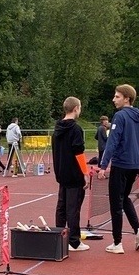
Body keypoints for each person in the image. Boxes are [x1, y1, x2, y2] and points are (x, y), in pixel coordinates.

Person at [96, 84, 139, 254]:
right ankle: (138, 230)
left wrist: (103, 166)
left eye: (117, 96)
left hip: (121, 164)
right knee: (124, 197)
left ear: (127, 98)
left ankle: (117, 243)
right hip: (134, 165)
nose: (113, 99)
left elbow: (112, 142)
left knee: (115, 203)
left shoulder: (120, 117)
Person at [52, 97, 88, 251]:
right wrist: (85, 173)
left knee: (62, 206)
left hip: (61, 172)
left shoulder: (57, 128)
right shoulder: (75, 129)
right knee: (73, 208)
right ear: (75, 109)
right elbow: (78, 153)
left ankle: (60, 236)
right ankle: (74, 241)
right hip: (74, 174)